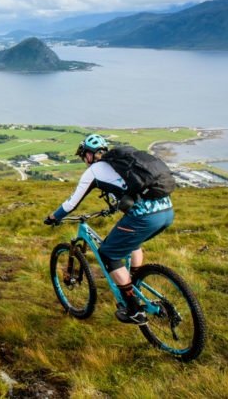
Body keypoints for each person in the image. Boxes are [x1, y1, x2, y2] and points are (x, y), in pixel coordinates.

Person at [44, 134, 174, 325]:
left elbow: (71, 204)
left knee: (108, 254)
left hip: (145, 217)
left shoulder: (94, 171)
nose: (84, 160)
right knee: (131, 242)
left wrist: (53, 217)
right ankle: (134, 284)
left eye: (83, 156)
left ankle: (134, 310)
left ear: (89, 155)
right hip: (167, 212)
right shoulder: (120, 163)